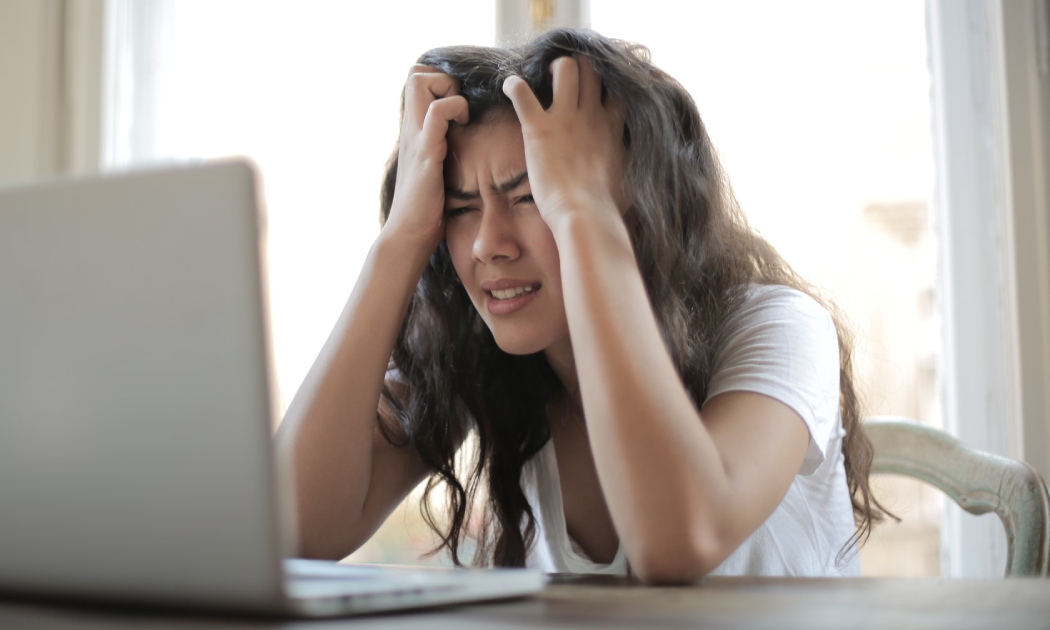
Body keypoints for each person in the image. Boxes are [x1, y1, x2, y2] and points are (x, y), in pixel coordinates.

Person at [275, 28, 889, 582]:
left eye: (533, 196)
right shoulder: (487, 356)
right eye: (460, 209)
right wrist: (401, 239)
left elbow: (678, 541)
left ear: (636, 201)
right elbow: (294, 530)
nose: (489, 244)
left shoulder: (779, 326)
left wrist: (584, 215)